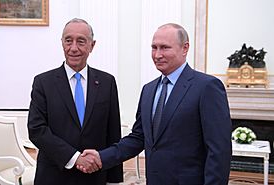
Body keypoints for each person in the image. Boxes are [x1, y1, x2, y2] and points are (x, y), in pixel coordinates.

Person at [79, 23, 232, 185]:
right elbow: (139, 138)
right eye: (154, 47)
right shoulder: (148, 90)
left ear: (185, 48)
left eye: (165, 48)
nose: (157, 55)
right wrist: (102, 157)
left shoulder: (207, 87)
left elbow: (219, 151)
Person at [27, 18, 123, 185]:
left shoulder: (107, 82)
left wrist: (114, 179)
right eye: (68, 41)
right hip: (53, 175)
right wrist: (75, 158)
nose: (73, 48)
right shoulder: (43, 82)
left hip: (95, 176)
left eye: (81, 41)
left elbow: (113, 132)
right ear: (62, 43)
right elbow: (37, 130)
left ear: (92, 45)